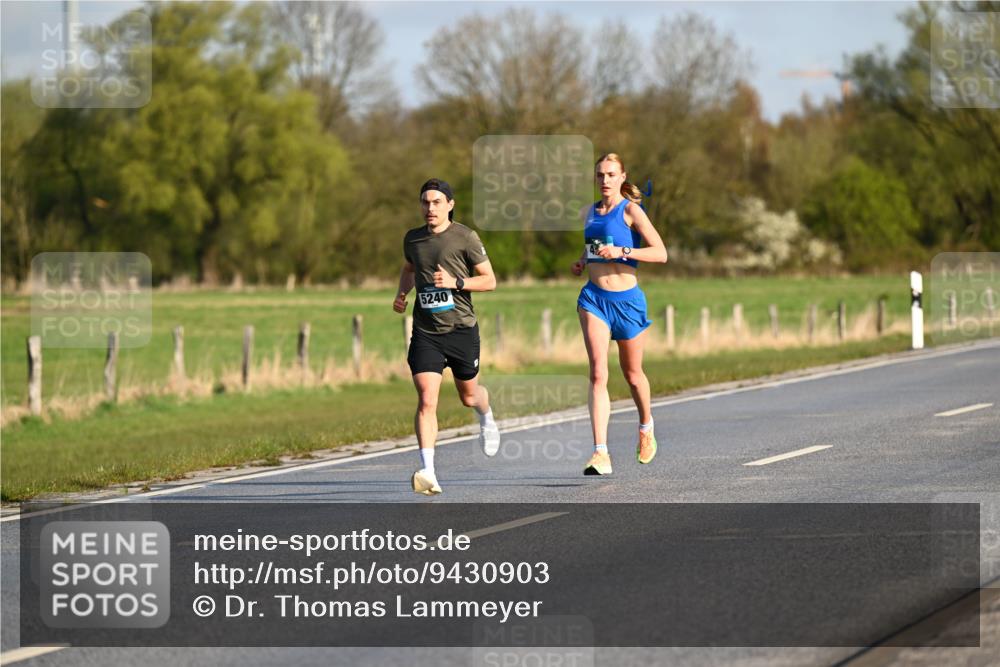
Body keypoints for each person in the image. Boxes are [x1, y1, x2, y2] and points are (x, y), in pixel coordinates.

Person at [394, 178, 500, 495]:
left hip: (461, 329)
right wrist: (402, 293)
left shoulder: (465, 238)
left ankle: (486, 416)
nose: (430, 208)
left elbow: (490, 281)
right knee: (427, 400)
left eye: (437, 202)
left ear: (450, 205)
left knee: (469, 395)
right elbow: (410, 269)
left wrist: (455, 283)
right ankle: (428, 471)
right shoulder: (413, 239)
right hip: (426, 332)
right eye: (425, 202)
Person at [571, 153, 668, 475]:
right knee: (598, 373)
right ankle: (600, 453)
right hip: (594, 299)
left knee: (633, 375)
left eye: (611, 174)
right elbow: (594, 247)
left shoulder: (630, 210)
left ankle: (646, 426)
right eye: (600, 175)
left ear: (622, 176)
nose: (605, 180)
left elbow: (660, 253)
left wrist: (623, 251)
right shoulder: (588, 212)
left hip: (627, 302)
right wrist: (583, 262)